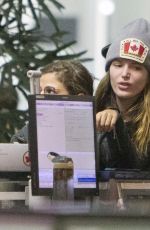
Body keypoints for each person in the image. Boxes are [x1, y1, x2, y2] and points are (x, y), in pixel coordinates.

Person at [95, 18, 150, 171]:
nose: (125, 74)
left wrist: (117, 122)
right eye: (118, 65)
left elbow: (134, 170)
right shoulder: (93, 108)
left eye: (137, 68)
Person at [11, 59, 94, 143]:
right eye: (40, 91)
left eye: (50, 91)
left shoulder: (100, 137)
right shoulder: (26, 136)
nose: (41, 96)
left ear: (79, 100)